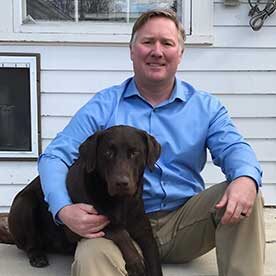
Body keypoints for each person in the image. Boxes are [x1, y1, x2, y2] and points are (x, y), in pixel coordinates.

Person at [38, 9, 265, 276]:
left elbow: (234, 148)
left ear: (180, 53)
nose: (157, 51)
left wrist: (246, 179)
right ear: (132, 51)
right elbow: (55, 157)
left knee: (245, 193)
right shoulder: (103, 106)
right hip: (118, 223)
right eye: (148, 42)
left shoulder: (205, 107)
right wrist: (63, 209)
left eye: (167, 43)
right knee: (90, 256)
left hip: (185, 221)